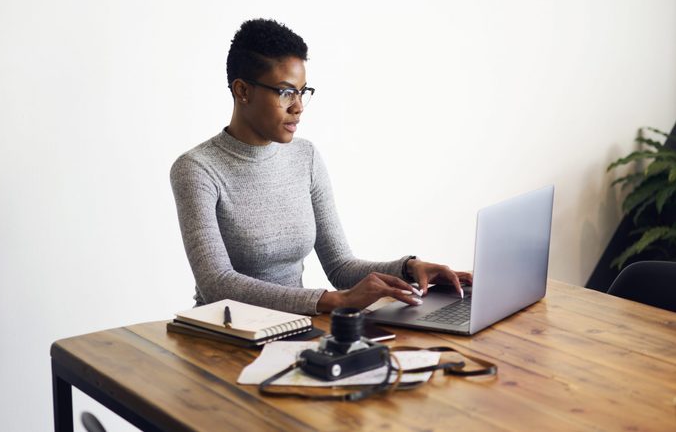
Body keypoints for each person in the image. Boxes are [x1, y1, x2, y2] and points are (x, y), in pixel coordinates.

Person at [170, 18, 471, 314]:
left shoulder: (306, 157)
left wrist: (408, 269)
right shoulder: (197, 169)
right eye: (285, 92)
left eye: (302, 92)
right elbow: (217, 284)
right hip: (223, 337)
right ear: (242, 91)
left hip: (294, 329)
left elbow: (341, 266)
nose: (298, 106)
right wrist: (333, 301)